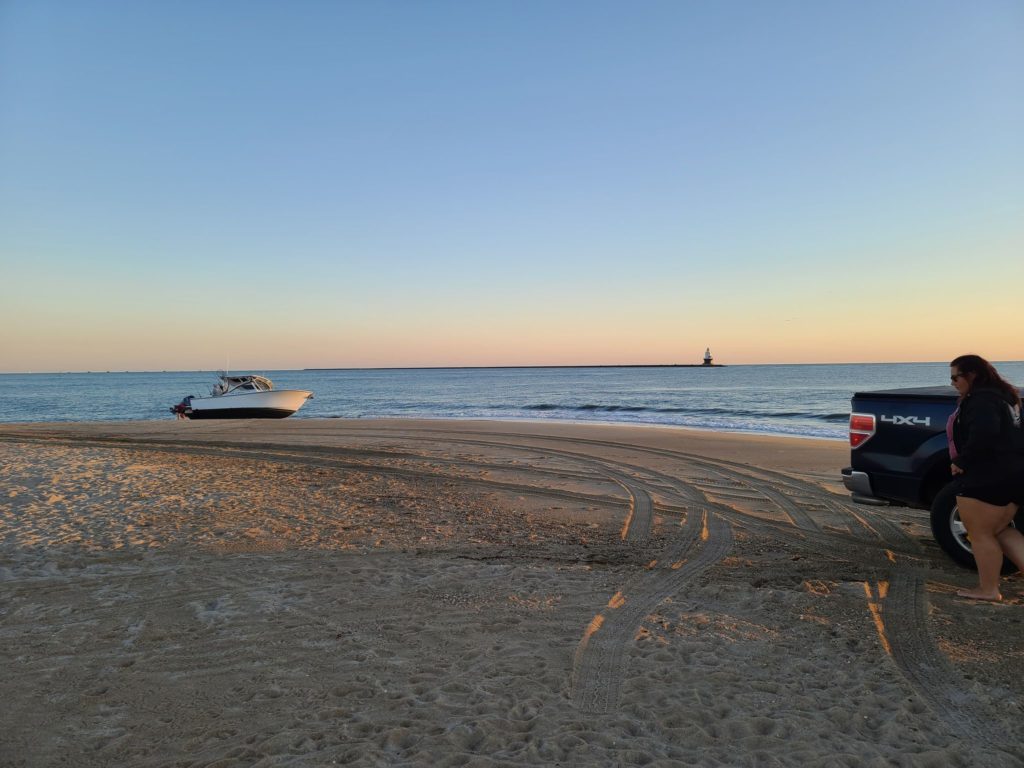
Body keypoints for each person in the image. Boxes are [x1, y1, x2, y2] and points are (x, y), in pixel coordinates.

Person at [948, 354, 1024, 600]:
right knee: (1001, 530)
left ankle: (988, 589)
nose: (953, 383)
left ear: (973, 375)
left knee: (980, 533)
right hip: (1012, 474)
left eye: (956, 377)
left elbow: (985, 433)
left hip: (986, 476)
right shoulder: (1007, 397)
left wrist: (962, 461)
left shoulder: (981, 400)